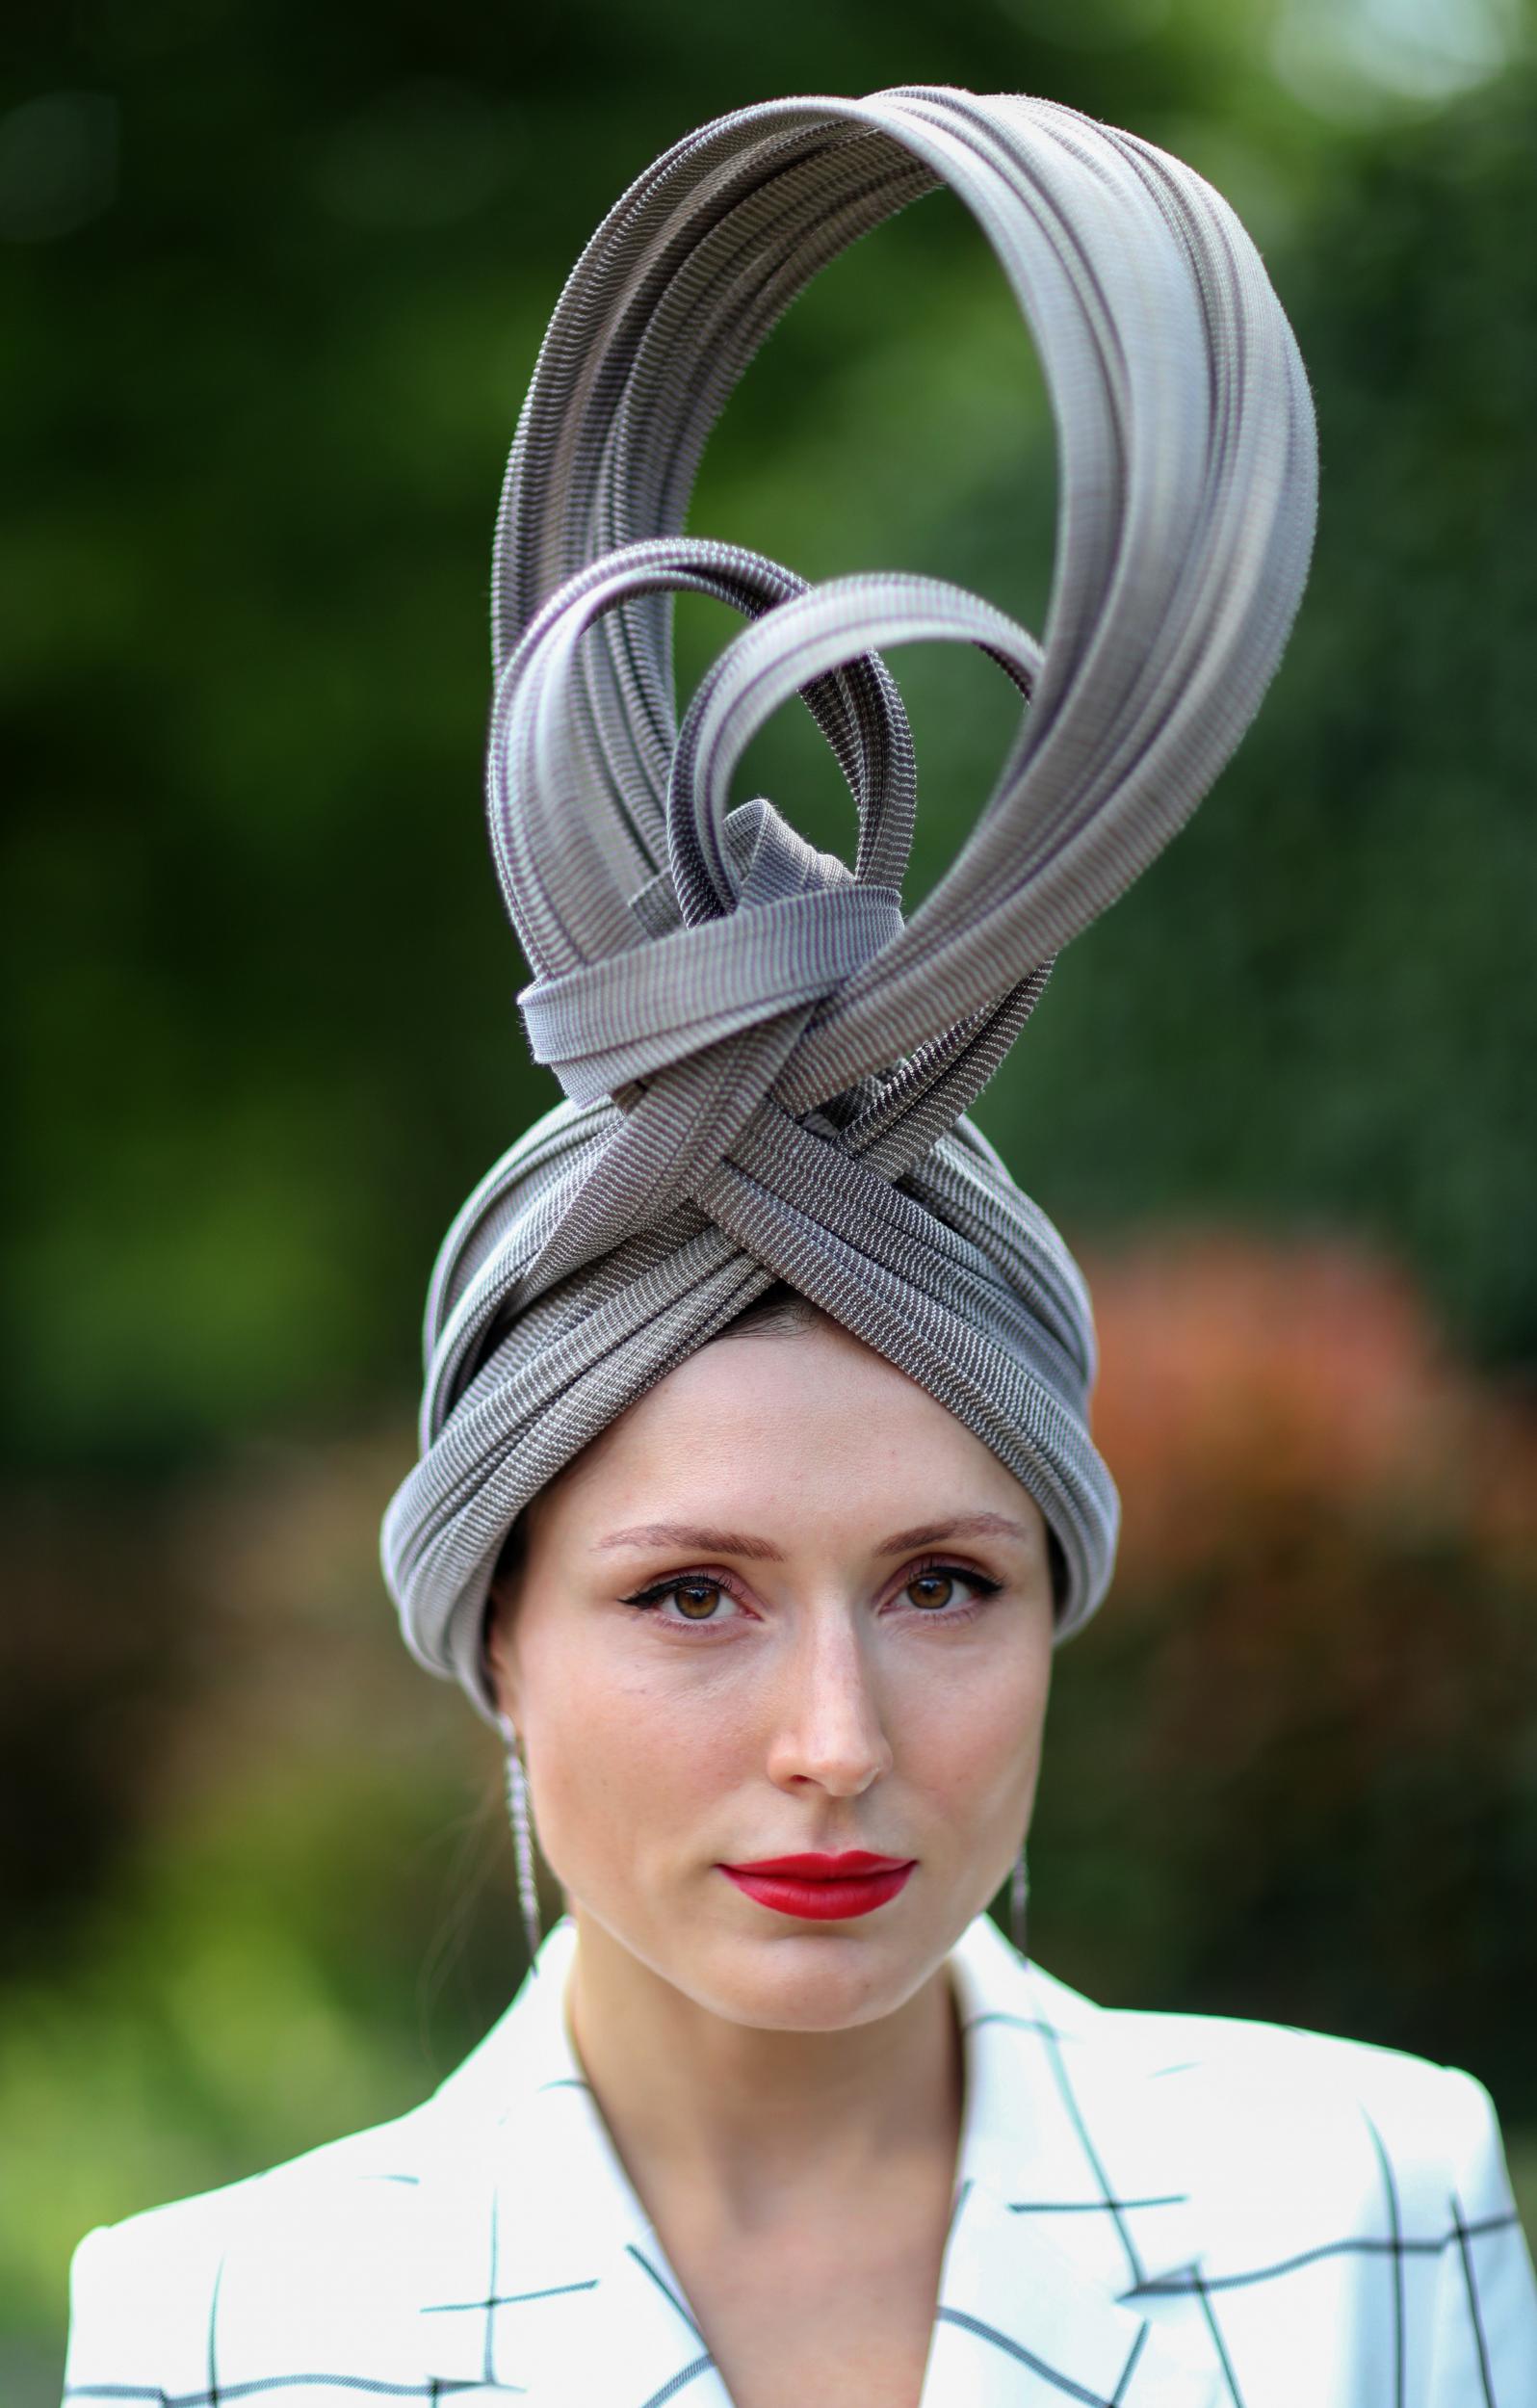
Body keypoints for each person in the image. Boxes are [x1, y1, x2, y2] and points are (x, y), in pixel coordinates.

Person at [62, 83, 1536, 2408]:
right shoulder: (228, 2328)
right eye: (688, 1592)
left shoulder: (1368, 2197)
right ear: (498, 1645)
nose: (839, 1743)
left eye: (949, 1580)